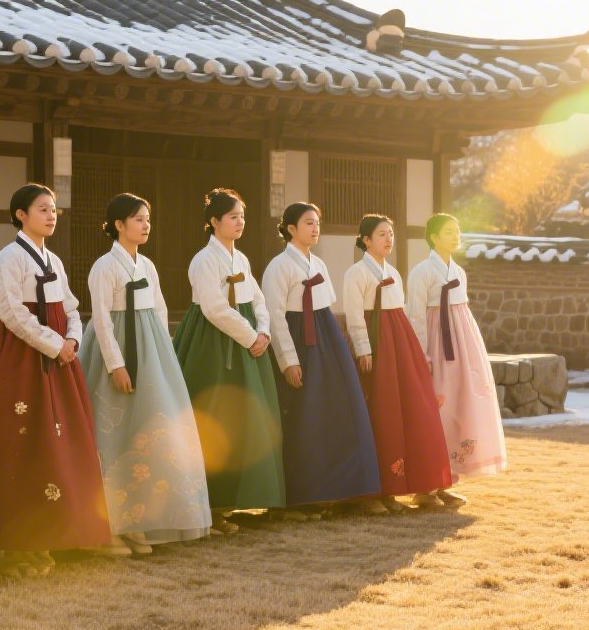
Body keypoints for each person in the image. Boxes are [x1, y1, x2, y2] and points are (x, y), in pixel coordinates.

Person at [0, 183, 120, 570]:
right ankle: (13, 543)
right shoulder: (8, 259)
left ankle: (49, 536)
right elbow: (11, 314)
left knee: (57, 439)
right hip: (17, 357)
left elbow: (71, 306)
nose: (51, 215)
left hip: (57, 358)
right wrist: (54, 344)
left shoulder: (52, 259)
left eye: (53, 209)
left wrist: (72, 338)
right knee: (18, 436)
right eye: (42, 209)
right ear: (20, 215)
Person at [79, 193, 212, 552]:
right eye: (138, 219)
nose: (145, 225)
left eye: (147, 219)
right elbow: (102, 319)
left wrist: (165, 356)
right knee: (114, 432)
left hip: (149, 348)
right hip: (118, 347)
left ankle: (139, 520)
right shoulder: (104, 267)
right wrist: (116, 364)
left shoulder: (148, 266)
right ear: (118, 225)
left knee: (149, 428)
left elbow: (159, 310)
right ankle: (111, 525)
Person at [172, 188, 286, 531]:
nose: (240, 222)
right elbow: (214, 308)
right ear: (213, 222)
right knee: (215, 413)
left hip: (247, 341)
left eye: (242, 216)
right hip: (213, 341)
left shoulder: (242, 259)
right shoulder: (203, 260)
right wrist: (251, 336)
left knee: (248, 417)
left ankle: (241, 498)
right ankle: (211, 505)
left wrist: (263, 331)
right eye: (233, 217)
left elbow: (258, 298)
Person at [261, 202, 381, 510]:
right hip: (298, 338)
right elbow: (275, 316)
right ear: (291, 229)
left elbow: (326, 308)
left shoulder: (319, 264)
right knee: (305, 416)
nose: (315, 228)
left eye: (318, 223)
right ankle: (305, 496)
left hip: (325, 337)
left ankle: (346, 490)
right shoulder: (278, 266)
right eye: (308, 223)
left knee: (339, 409)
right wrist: (288, 360)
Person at [341, 214, 453, 514]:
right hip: (376, 343)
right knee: (379, 410)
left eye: (391, 233)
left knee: (408, 409)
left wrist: (413, 352)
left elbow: (400, 312)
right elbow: (354, 317)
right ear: (366, 240)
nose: (389, 239)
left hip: (397, 343)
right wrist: (364, 349)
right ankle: (373, 492)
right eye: (381, 234)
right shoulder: (356, 273)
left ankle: (400, 487)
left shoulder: (393, 271)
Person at [406, 213, 506, 502]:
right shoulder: (421, 272)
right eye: (449, 231)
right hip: (437, 346)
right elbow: (415, 316)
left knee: (460, 408)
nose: (456, 235)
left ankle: (446, 480)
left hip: (462, 347)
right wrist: (422, 354)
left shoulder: (459, 272)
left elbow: (461, 314)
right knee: (438, 410)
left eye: (458, 231)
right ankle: (425, 486)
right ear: (434, 237)